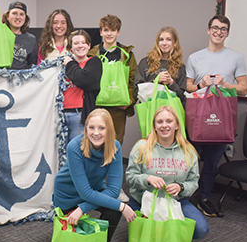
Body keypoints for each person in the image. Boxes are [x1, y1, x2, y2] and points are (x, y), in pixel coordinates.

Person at [53, 108, 137, 242]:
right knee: (74, 241)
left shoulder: (115, 146)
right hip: (68, 193)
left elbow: (113, 190)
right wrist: (123, 206)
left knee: (114, 210)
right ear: (86, 129)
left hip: (94, 188)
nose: (96, 133)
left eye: (102, 128)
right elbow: (84, 192)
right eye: (91, 128)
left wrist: (82, 208)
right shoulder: (74, 147)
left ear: (109, 130)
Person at [185, 14, 247, 217]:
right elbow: (187, 87)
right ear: (208, 30)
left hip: (221, 119)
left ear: (227, 33)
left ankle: (204, 198)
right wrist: (201, 85)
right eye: (215, 28)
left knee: (212, 162)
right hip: (198, 118)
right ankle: (184, 198)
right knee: (189, 159)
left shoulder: (236, 58)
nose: (218, 32)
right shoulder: (195, 57)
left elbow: (244, 88)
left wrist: (224, 84)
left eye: (223, 29)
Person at [125, 105, 208, 239]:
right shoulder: (141, 147)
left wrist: (181, 187)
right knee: (147, 237)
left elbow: (193, 182)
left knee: (200, 229)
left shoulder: (188, 151)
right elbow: (130, 177)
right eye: (160, 122)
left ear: (176, 125)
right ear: (155, 126)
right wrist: (147, 179)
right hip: (144, 201)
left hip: (176, 201)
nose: (164, 125)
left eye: (169, 121)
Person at [88, 14, 137, 145]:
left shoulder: (127, 54)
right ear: (100, 32)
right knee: (95, 143)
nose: (109, 34)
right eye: (106, 30)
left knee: (116, 144)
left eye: (113, 30)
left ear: (118, 32)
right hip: (97, 106)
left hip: (119, 108)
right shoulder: (92, 53)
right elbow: (86, 79)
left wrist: (130, 100)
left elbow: (133, 79)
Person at [62, 30, 102, 141]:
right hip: (61, 115)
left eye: (83, 42)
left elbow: (84, 80)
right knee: (60, 155)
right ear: (70, 48)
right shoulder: (62, 65)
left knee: (77, 152)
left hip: (80, 115)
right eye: (76, 43)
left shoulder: (94, 62)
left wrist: (70, 64)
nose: (80, 46)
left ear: (89, 46)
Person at [134, 26, 186, 101]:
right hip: (150, 110)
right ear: (157, 43)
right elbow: (136, 92)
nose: (164, 43)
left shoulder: (180, 66)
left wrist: (171, 83)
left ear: (175, 42)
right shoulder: (145, 63)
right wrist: (155, 81)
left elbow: (183, 98)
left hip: (171, 110)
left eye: (168, 39)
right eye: (161, 40)